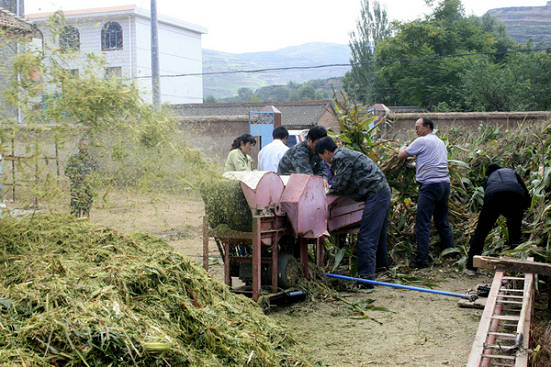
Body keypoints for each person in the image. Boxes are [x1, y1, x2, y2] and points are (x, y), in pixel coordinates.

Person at [316, 136, 391, 287]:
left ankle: (366, 281)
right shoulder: (345, 154)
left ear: (326, 152)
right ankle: (382, 268)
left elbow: (341, 185)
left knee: (366, 237)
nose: (324, 161)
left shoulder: (340, 157)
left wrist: (323, 197)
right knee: (379, 234)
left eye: (322, 157)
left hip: (375, 193)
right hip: (381, 191)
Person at [398, 117, 455, 268]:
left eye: (418, 127)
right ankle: (450, 252)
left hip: (430, 186)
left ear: (427, 127)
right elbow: (429, 161)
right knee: (442, 220)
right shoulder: (440, 142)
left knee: (422, 223)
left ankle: (422, 260)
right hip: (444, 184)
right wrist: (415, 166)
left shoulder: (422, 141)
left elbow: (401, 155)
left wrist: (401, 147)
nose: (416, 131)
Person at [465, 163, 531, 275]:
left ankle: (471, 268)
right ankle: (515, 266)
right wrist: (522, 211)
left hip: (493, 197)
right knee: (514, 231)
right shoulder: (511, 172)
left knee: (481, 233)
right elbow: (525, 191)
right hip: (515, 195)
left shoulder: (489, 179)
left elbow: (488, 196)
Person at [65, 137, 98, 217]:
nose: (84, 147)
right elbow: (67, 172)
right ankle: (74, 224)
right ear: (79, 146)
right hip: (77, 188)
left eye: (86, 145)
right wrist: (75, 175)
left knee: (86, 209)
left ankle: (85, 224)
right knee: (75, 209)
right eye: (82, 145)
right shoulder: (73, 159)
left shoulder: (91, 159)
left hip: (88, 189)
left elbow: (95, 173)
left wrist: (90, 178)